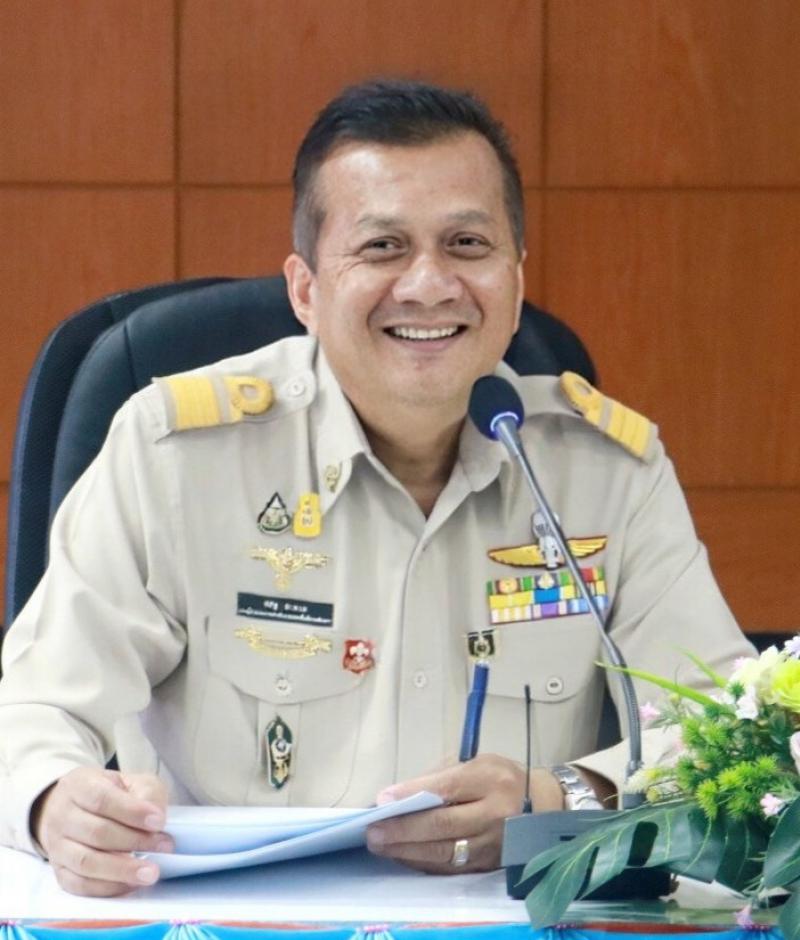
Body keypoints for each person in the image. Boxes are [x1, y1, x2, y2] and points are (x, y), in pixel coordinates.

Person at [0, 79, 753, 898]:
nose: (429, 285)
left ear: (515, 282)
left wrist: (556, 798)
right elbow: (35, 707)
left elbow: (730, 735)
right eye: (383, 247)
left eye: (467, 244)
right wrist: (54, 803)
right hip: (238, 922)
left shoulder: (605, 472)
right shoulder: (177, 456)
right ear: (305, 291)